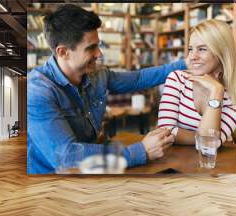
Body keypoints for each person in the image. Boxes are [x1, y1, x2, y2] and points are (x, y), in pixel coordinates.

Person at [27, 4, 191, 174]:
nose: (99, 53)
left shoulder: (96, 75)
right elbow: (66, 157)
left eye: (98, 45)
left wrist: (185, 64)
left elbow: (139, 78)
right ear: (63, 52)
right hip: (50, 183)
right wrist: (141, 151)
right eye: (91, 48)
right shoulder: (37, 91)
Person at [157, 19, 236, 145]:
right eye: (191, 49)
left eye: (202, 49)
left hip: (214, 164)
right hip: (173, 162)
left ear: (222, 53)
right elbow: (164, 131)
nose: (192, 56)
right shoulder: (177, 79)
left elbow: (210, 144)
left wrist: (217, 91)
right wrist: (205, 139)